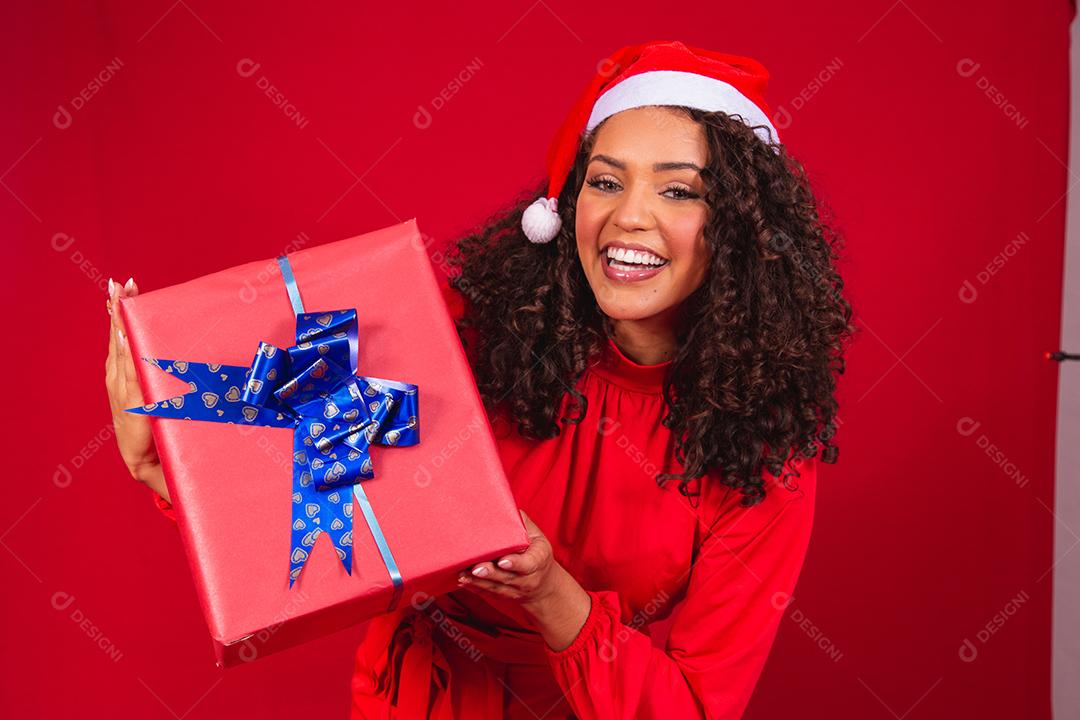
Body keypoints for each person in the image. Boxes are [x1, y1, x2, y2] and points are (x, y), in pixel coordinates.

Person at [104, 40, 854, 719]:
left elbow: (691, 709)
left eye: (680, 191)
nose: (630, 217)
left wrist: (551, 595)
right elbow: (325, 507)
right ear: (567, 205)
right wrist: (167, 468)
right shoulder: (469, 327)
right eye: (605, 182)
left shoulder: (766, 457)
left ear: (743, 231)